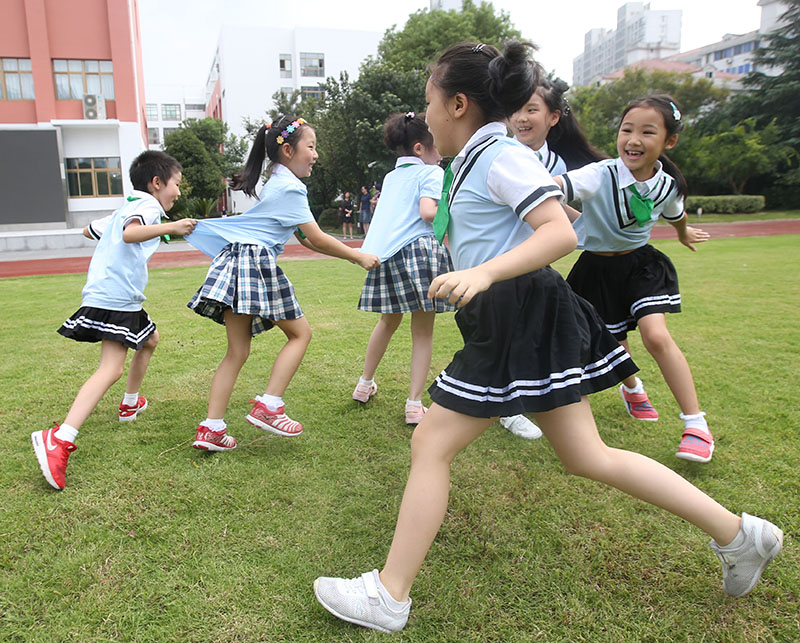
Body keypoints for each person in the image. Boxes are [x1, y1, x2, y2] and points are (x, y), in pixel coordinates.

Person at [313, 43, 782, 634]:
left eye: (429, 100)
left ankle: (389, 594)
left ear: (457, 104)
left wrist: (484, 272)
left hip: (518, 312)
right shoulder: (474, 160)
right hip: (514, 313)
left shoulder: (498, 156)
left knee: (431, 443)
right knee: (587, 456)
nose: (424, 114)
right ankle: (740, 535)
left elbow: (558, 233)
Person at [185, 116, 379, 451]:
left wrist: (346, 254)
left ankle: (212, 428)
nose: (315, 155)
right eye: (311, 147)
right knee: (300, 334)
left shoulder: (276, 181)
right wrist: (357, 256)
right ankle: (270, 406)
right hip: (253, 262)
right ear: (288, 150)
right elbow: (317, 236)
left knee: (237, 351)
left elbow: (306, 239)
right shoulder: (290, 188)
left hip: (236, 261)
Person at [554, 95, 714, 463]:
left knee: (655, 335)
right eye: (627, 130)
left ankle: (696, 425)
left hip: (641, 266)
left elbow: (675, 213)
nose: (633, 140)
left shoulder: (667, 185)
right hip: (595, 270)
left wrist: (684, 233)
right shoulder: (601, 174)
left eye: (647, 132)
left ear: (669, 141)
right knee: (612, 343)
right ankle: (633, 387)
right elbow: (557, 184)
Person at [31, 151, 196, 490]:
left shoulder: (128, 206)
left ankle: (130, 404)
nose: (178, 192)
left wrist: (118, 226)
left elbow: (88, 230)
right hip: (115, 295)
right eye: (177, 184)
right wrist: (173, 227)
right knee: (111, 369)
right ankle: (60, 439)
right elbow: (130, 234)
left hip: (115, 293)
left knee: (149, 340)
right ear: (157, 183)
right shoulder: (147, 206)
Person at [497, 76, 610, 440]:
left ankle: (527, 399)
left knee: (529, 333)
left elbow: (556, 211)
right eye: (516, 109)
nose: (521, 117)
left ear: (554, 117)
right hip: (501, 259)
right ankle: (510, 408)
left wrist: (597, 231)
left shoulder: (555, 164)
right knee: (506, 333)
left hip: (535, 259)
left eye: (531, 109)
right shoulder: (502, 153)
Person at [353, 112, 455, 425]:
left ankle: (364, 384)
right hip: (419, 252)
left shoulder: (391, 177)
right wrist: (454, 209)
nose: (440, 153)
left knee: (388, 321)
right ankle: (414, 404)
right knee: (422, 332)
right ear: (420, 148)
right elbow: (427, 212)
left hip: (386, 254)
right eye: (435, 146)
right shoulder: (431, 172)